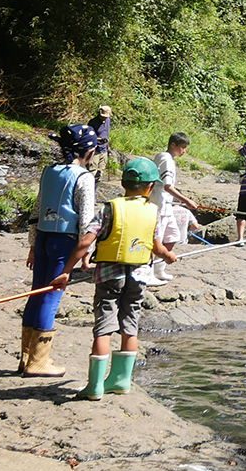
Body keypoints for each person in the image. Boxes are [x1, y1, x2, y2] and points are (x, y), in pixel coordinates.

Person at [73, 158, 176, 400]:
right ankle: (121, 381)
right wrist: (169, 256)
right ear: (150, 187)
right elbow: (158, 248)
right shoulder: (153, 211)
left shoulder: (110, 208)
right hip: (139, 277)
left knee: (104, 328)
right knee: (130, 326)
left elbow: (86, 240)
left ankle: (95, 386)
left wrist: (69, 268)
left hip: (109, 275)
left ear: (123, 183)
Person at [20, 124, 98, 377]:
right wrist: (85, 253)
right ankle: (38, 362)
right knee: (50, 298)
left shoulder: (49, 172)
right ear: (89, 151)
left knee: (36, 294)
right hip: (64, 243)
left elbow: (36, 210)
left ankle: (26, 357)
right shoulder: (84, 177)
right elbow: (86, 220)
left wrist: (33, 245)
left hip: (42, 237)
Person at [150, 133, 196, 281]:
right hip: (160, 202)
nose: (184, 151)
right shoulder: (165, 158)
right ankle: (149, 273)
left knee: (173, 235)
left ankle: (159, 268)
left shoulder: (168, 158)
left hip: (167, 203)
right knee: (156, 238)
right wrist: (186, 200)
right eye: (182, 147)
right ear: (173, 145)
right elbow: (167, 186)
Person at [87, 105, 112, 183]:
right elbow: (88, 136)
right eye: (103, 117)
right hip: (95, 150)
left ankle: (96, 188)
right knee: (92, 171)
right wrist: (100, 139)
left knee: (100, 172)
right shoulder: (92, 122)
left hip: (104, 150)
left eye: (106, 117)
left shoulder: (108, 121)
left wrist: (108, 147)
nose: (104, 118)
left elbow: (106, 135)